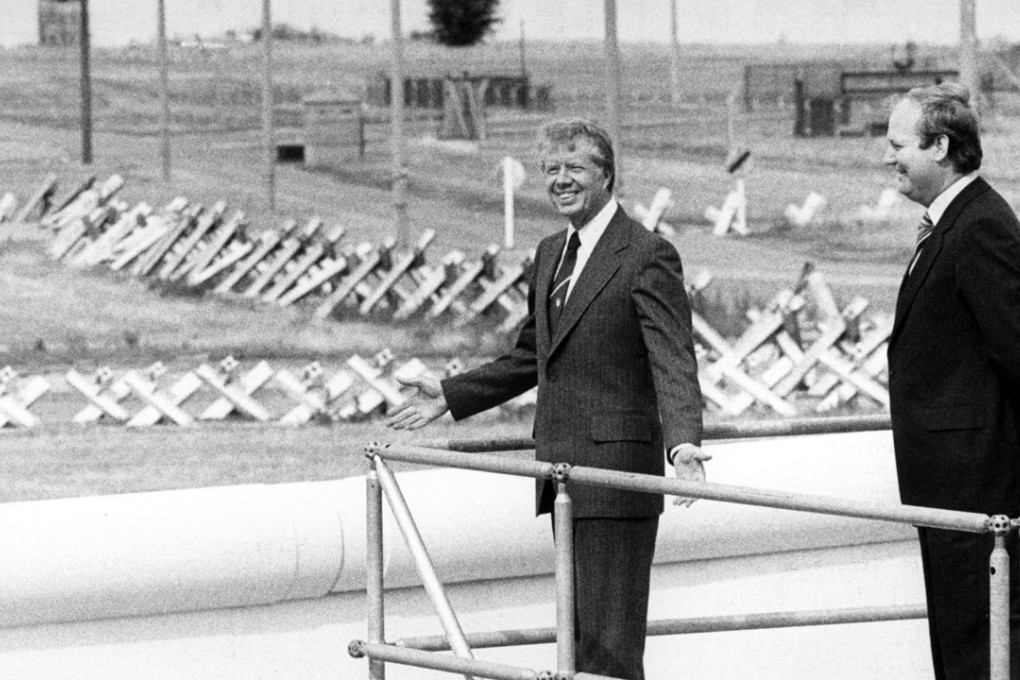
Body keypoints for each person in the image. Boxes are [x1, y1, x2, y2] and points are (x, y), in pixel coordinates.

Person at [387, 117, 706, 680]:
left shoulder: (646, 254)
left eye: (575, 168)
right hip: (561, 476)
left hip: (616, 477)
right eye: (551, 169)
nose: (561, 180)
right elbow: (532, 355)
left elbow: (673, 357)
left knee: (609, 651)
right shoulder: (551, 250)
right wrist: (449, 394)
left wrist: (682, 446)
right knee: (579, 646)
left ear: (607, 176)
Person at [884, 83, 1020, 680]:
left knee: (981, 643)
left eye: (898, 145)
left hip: (977, 488)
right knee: (958, 639)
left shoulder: (981, 227)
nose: (887, 158)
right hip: (948, 487)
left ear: (940, 146)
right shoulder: (950, 224)